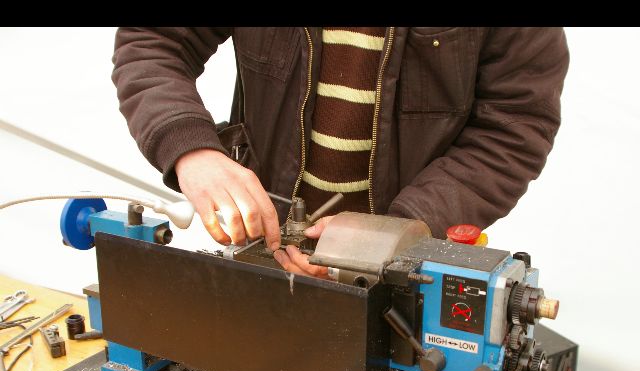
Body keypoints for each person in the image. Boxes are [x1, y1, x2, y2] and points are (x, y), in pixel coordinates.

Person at [112, 27, 569, 278]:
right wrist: (192, 151)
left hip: (404, 270)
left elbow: (514, 124)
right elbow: (155, 41)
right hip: (263, 253)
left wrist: (395, 233)